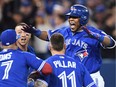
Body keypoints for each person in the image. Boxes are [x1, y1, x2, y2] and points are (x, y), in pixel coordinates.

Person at [22, 4, 116, 87]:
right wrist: (36, 32)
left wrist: (97, 36)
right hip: (73, 75)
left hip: (91, 75)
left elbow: (111, 43)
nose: (70, 19)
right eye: (70, 16)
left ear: (83, 18)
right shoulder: (64, 31)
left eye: (74, 17)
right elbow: (48, 36)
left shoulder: (95, 32)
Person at [29, 33, 97, 87]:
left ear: (49, 47)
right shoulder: (78, 65)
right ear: (65, 46)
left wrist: (31, 81)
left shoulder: (46, 65)